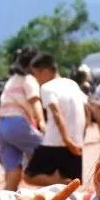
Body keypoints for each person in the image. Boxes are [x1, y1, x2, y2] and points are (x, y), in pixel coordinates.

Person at [23, 52, 88, 187]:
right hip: (77, 141)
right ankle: (63, 185)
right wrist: (79, 139)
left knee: (29, 176)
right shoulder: (72, 84)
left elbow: (56, 113)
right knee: (73, 185)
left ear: (45, 71)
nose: (36, 79)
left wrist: (67, 141)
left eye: (36, 74)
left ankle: (59, 183)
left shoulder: (47, 87)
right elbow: (86, 110)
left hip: (54, 142)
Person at [0, 47, 46, 191]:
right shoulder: (29, 79)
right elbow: (35, 101)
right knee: (47, 153)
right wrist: (42, 122)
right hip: (16, 124)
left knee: (14, 172)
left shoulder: (11, 80)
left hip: (0, 126)